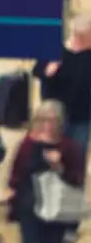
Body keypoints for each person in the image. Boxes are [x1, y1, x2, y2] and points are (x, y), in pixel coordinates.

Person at [8, 100, 86, 243]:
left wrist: (60, 168)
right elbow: (16, 174)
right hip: (30, 208)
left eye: (53, 121)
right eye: (44, 120)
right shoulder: (28, 144)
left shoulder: (69, 147)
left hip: (56, 213)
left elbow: (77, 180)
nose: (48, 125)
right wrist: (14, 194)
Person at [34, 15, 91, 155]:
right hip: (54, 118)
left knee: (76, 158)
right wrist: (47, 71)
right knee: (49, 156)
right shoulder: (56, 50)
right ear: (82, 36)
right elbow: (37, 71)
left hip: (81, 118)